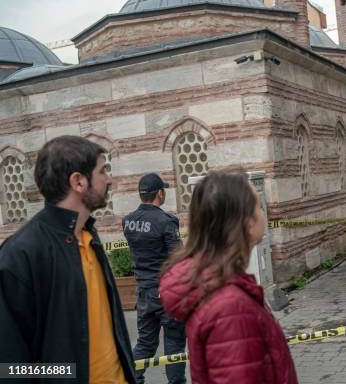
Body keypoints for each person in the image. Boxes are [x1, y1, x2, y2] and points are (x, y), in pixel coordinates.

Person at [0, 135, 136, 383]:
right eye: (102, 170)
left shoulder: (87, 235)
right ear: (78, 181)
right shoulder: (21, 254)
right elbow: (9, 367)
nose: (109, 179)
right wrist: (65, 373)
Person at [159, 170, 298, 384]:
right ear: (246, 222)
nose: (263, 213)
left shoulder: (223, 288)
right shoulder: (231, 307)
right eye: (258, 207)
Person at [122, 173, 186, 384]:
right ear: (159, 193)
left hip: (144, 292)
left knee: (146, 343)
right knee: (174, 343)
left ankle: (131, 378)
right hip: (166, 292)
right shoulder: (166, 221)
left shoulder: (128, 221)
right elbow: (178, 259)